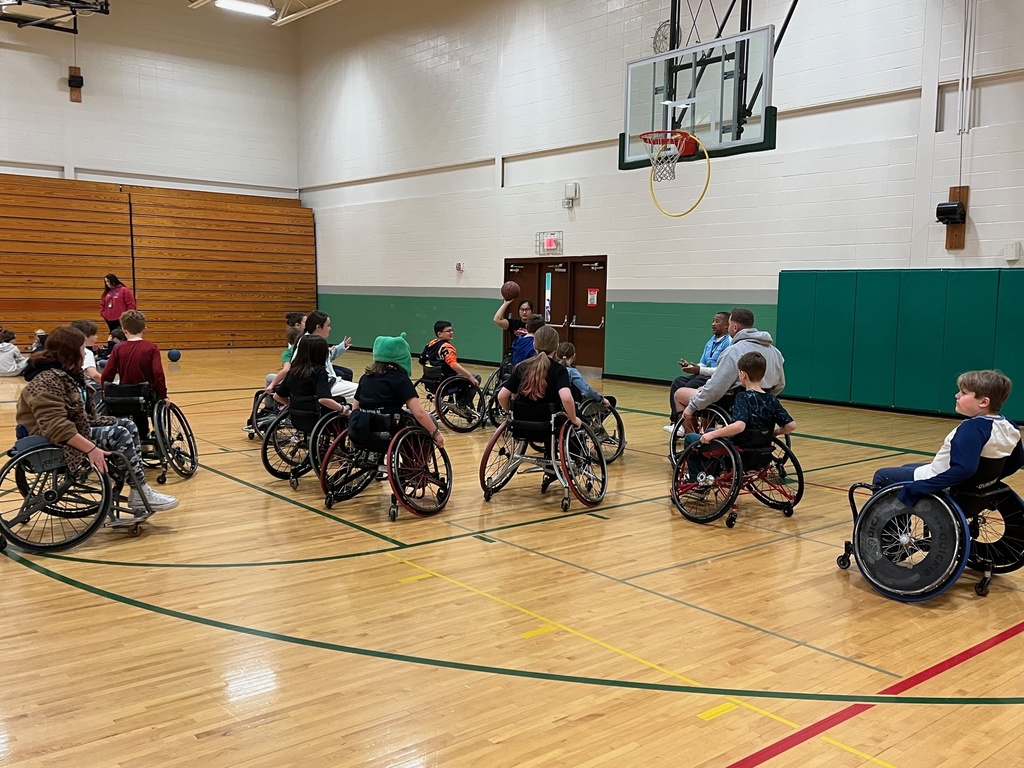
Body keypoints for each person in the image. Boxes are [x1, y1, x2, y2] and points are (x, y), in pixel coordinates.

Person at [15, 326, 178, 515]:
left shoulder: (65, 374)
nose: (85, 353)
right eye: (83, 349)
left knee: (127, 424)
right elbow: (57, 428)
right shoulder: (46, 380)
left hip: (68, 432)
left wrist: (107, 420)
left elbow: (79, 417)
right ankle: (140, 489)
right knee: (120, 434)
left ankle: (137, 488)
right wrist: (91, 449)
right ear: (70, 351)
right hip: (49, 440)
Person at [871, 370, 1024, 506]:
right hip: (973, 489)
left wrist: (920, 487)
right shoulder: (1009, 426)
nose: (956, 395)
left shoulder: (972, 429)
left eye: (963, 393)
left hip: (948, 484)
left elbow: (964, 469)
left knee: (883, 476)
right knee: (906, 468)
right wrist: (985, 483)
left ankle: (890, 536)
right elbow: (1017, 461)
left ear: (984, 402)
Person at [677, 308, 786, 432]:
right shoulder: (775, 352)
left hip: (732, 402)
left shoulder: (733, 351)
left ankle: (693, 443)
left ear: (734, 327)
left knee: (680, 394)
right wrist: (761, 399)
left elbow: (716, 389)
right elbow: (780, 384)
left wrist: (692, 407)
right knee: (702, 391)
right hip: (760, 402)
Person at [348, 332, 444, 450]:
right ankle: (414, 465)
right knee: (430, 420)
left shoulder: (366, 377)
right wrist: (436, 433)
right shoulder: (400, 379)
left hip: (364, 426)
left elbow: (356, 406)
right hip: (389, 425)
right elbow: (419, 413)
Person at [497, 325, 582, 432]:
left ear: (534, 345)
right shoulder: (559, 370)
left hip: (521, 420)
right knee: (577, 414)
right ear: (557, 347)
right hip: (548, 422)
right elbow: (566, 398)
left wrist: (509, 411)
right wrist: (574, 419)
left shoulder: (521, 367)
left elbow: (502, 396)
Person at [100, 310, 169, 437]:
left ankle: (133, 435)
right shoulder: (151, 347)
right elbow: (158, 373)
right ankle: (160, 435)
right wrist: (164, 395)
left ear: (124, 330)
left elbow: (107, 374)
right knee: (156, 401)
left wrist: (105, 391)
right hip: (145, 392)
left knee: (130, 405)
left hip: (124, 393)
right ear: (145, 328)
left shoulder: (118, 348)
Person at [266, 310, 356, 399]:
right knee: (359, 391)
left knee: (356, 386)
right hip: (320, 384)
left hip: (326, 381)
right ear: (318, 327)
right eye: (328, 325)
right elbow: (293, 368)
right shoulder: (308, 342)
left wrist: (340, 347)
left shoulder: (310, 339)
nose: (330, 328)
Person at [665, 311, 731, 430]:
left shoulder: (729, 342)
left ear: (727, 325)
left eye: (717, 321)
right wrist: (691, 366)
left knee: (689, 386)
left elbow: (722, 369)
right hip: (703, 373)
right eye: (713, 321)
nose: (713, 324)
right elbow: (703, 362)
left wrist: (699, 370)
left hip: (714, 376)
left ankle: (690, 424)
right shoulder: (711, 341)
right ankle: (677, 423)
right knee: (678, 382)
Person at [272, 334, 350, 417]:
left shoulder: (293, 371)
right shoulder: (319, 372)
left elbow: (277, 396)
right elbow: (324, 399)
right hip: (315, 417)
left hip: (297, 418)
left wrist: (294, 405)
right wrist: (343, 409)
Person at [555, 342, 614, 409]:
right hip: (572, 405)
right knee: (611, 400)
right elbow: (586, 390)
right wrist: (601, 399)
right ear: (573, 356)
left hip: (555, 404)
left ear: (557, 355)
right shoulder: (571, 372)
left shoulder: (552, 368)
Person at [71, 319, 102, 385]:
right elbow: (94, 375)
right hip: (89, 387)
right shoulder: (86, 352)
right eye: (94, 334)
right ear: (85, 336)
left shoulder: (69, 349)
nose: (97, 337)